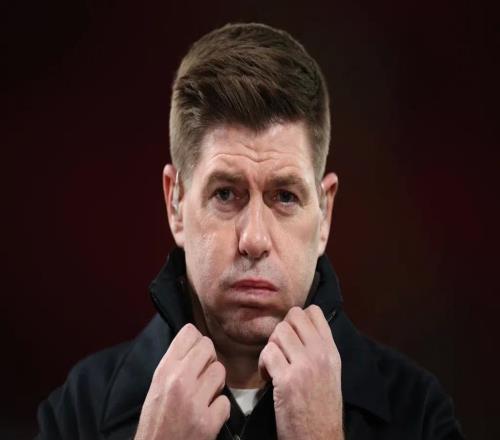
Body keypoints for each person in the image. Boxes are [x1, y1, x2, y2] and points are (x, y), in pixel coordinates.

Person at [35, 22, 464, 439]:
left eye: (284, 196)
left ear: (325, 213)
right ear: (175, 204)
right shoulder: (77, 412)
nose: (254, 240)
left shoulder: (420, 414)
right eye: (225, 194)